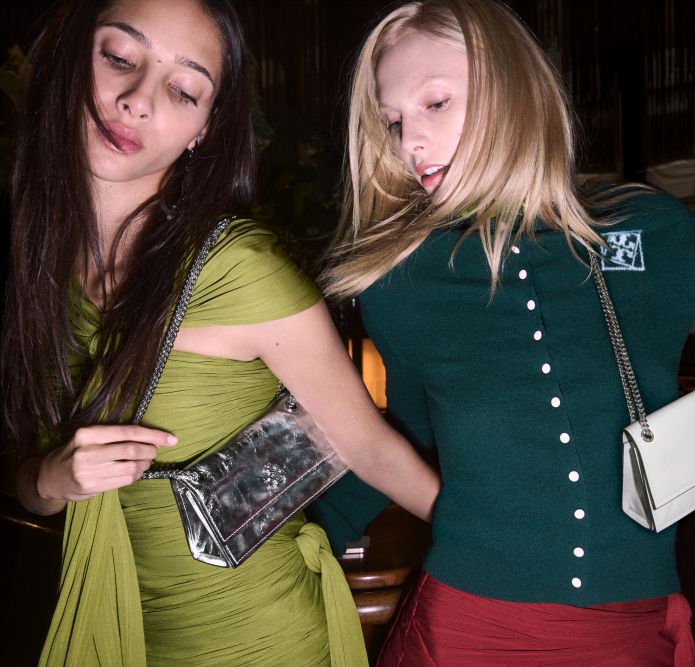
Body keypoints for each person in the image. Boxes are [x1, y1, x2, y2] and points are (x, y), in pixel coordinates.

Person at [314, 0, 695, 663]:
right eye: (393, 120)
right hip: (467, 630)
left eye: (435, 103)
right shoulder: (399, 279)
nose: (410, 141)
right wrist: (297, 537)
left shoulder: (642, 230)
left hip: (632, 635)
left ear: (512, 89)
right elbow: (406, 435)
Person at [0, 0, 439, 664]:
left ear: (203, 129)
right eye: (118, 56)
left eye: (184, 89)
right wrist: (56, 479)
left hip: (259, 638)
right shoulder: (44, 267)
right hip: (114, 627)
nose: (138, 99)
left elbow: (373, 451)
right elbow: (28, 483)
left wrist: (520, 572)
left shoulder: (238, 268)